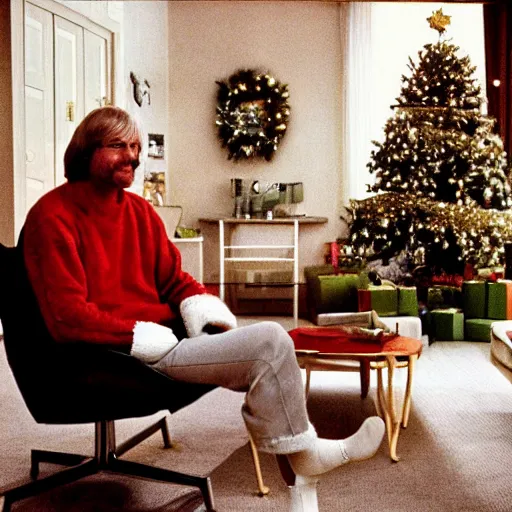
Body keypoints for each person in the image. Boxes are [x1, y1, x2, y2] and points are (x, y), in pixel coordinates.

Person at [23, 106, 385, 512]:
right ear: (86, 151)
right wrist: (137, 335)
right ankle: (306, 468)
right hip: (117, 356)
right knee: (270, 342)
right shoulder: (51, 216)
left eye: (136, 146)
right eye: (118, 146)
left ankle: (303, 483)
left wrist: (201, 305)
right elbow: (67, 316)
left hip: (161, 340)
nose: (133, 156)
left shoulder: (139, 211)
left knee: (266, 347)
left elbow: (173, 279)